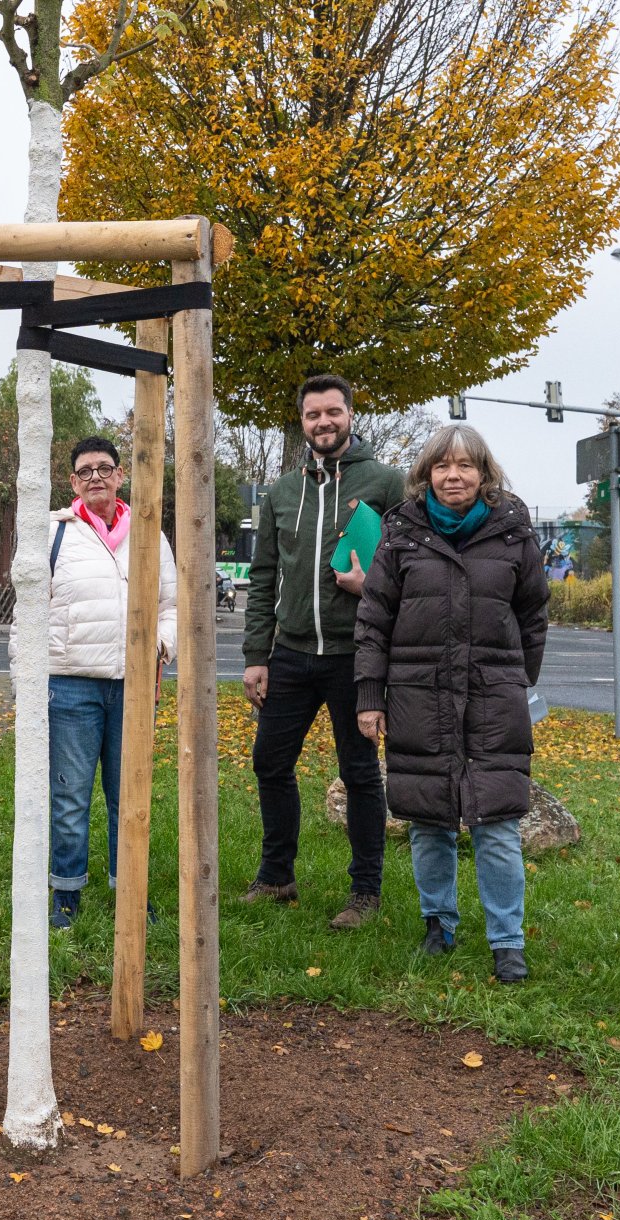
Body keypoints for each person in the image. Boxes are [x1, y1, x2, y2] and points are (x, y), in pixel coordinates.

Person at [354, 425, 549, 983]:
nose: (454, 476)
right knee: (428, 819)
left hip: (493, 699)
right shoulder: (402, 532)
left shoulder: (512, 533)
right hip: (419, 696)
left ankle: (507, 942)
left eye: (466, 466)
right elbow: (373, 621)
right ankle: (438, 923)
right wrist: (371, 694)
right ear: (427, 474)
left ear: (484, 474)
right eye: (443, 466)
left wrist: (517, 679)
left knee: (497, 823)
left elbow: (533, 614)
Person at [240, 373, 406, 927]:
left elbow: (409, 567)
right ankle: (277, 876)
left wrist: (372, 588)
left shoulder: (387, 484)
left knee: (359, 771)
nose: (323, 423)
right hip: (289, 651)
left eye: (333, 412)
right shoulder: (282, 492)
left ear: (350, 415)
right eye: (313, 415)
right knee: (269, 762)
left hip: (354, 653)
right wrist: (255, 655)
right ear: (302, 421)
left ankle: (365, 893)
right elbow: (263, 577)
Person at [38, 436, 177, 929]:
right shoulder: (53, 532)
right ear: (73, 482)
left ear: (120, 475)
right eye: (85, 471)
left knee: (129, 795)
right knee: (71, 794)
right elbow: (28, 611)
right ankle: (67, 892)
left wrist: (162, 644)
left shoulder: (148, 532)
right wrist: (24, 682)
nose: (96, 476)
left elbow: (170, 605)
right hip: (72, 684)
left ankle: (131, 890)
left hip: (133, 684)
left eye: (105, 468)